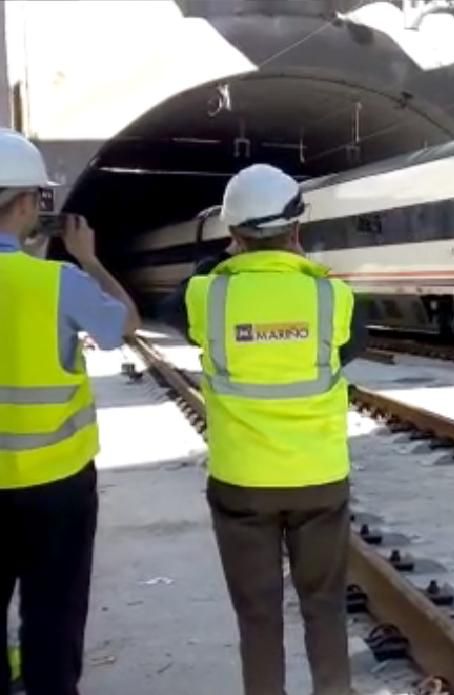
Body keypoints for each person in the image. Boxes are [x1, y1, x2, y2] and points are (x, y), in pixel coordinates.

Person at [161, 163, 366, 695]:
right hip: (319, 480)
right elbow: (352, 347)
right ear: (297, 229)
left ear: (234, 235)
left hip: (242, 484)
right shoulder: (333, 298)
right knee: (324, 609)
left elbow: (170, 303)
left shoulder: (206, 296)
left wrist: (220, 262)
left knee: (257, 617)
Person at [0, 129, 140, 695]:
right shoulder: (57, 282)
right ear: (31, 202)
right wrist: (89, 259)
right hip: (55, 487)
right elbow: (124, 323)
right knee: (53, 622)